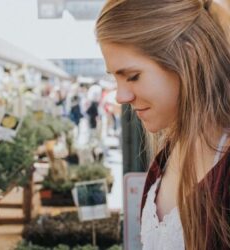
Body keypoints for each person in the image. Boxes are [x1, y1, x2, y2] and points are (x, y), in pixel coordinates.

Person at [95, 0, 230, 249]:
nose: (120, 96)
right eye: (116, 78)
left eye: (133, 76)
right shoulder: (167, 154)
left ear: (189, 56)